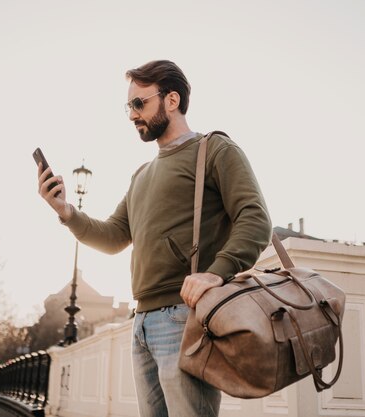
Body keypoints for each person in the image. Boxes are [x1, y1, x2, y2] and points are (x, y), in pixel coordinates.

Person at [37, 60, 271, 417]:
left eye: (139, 103)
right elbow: (114, 236)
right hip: (141, 322)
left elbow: (255, 220)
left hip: (186, 318)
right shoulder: (141, 175)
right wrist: (66, 212)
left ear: (172, 100)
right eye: (128, 106)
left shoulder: (216, 150)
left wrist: (215, 273)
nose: (132, 115)